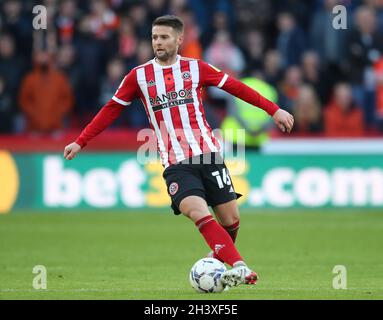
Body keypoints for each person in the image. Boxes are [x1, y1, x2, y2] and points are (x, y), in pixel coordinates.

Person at [64, 15, 294, 288]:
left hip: (208, 154)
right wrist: (81, 141)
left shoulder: (196, 69)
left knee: (231, 220)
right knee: (197, 212)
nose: (157, 43)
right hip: (175, 163)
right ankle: (241, 267)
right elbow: (111, 109)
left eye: (163, 37)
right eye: (154, 38)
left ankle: (215, 263)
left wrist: (274, 109)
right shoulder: (138, 76)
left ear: (179, 39)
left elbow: (237, 88)